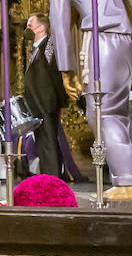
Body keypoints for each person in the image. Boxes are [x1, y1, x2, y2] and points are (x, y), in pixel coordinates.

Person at [42, 0, 132, 193]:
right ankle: (127, 177)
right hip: (124, 37)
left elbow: (59, 18)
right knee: (118, 112)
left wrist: (66, 69)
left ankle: (127, 182)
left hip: (99, 38)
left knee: (101, 111)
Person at [21, 14, 85, 182]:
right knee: (42, 143)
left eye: (30, 25)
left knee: (49, 142)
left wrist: (62, 102)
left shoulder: (48, 45)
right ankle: (48, 176)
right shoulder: (35, 49)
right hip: (36, 104)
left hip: (46, 104)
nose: (27, 29)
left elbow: (56, 73)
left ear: (41, 28)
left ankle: (53, 179)